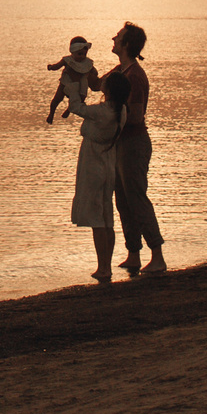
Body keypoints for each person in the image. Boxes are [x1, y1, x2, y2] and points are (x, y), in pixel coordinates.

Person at [106, 22, 166, 274]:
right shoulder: (120, 70)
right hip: (121, 144)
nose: (113, 38)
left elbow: (136, 116)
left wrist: (109, 115)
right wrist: (77, 65)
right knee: (122, 199)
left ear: (127, 44)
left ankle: (157, 255)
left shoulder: (135, 76)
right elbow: (98, 85)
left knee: (136, 198)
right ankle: (133, 253)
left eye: (118, 37)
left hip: (134, 143)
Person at [66, 69, 128, 280]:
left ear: (109, 90)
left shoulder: (102, 112)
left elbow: (76, 107)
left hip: (93, 167)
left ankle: (103, 267)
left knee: (97, 220)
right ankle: (105, 266)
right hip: (108, 165)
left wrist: (72, 86)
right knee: (106, 218)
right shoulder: (121, 111)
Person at [44, 35, 97, 123]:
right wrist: (51, 67)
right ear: (73, 52)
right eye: (79, 54)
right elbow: (57, 66)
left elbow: (93, 70)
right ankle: (51, 113)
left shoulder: (87, 62)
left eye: (84, 54)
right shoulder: (68, 60)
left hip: (80, 84)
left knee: (81, 97)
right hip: (66, 82)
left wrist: (94, 74)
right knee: (57, 98)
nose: (82, 56)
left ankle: (69, 109)